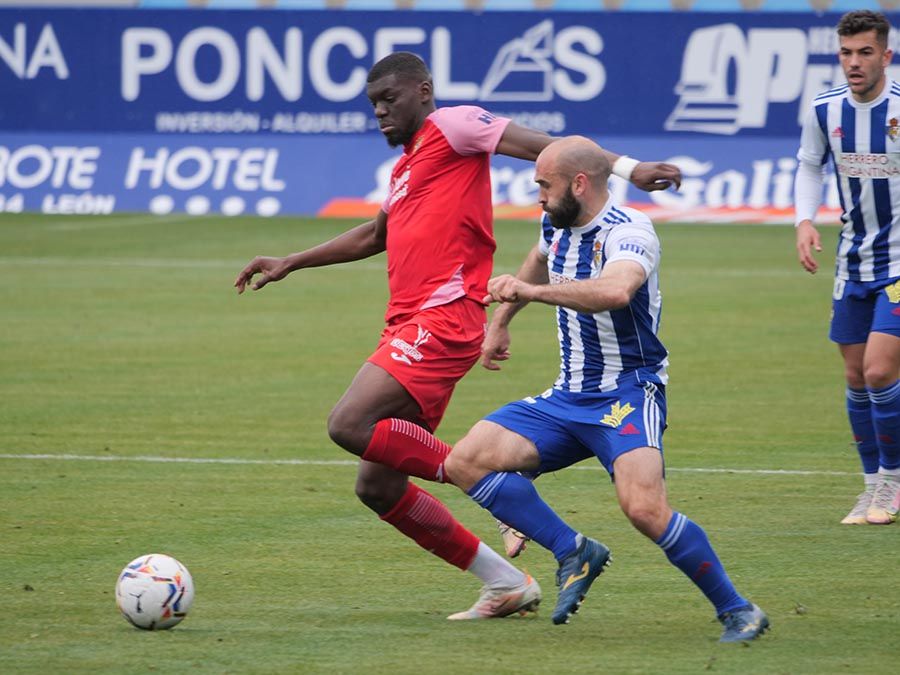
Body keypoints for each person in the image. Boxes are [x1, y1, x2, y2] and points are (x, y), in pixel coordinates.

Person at [235, 52, 682, 619]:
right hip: (408, 323)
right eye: (374, 105)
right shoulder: (405, 169)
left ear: (423, 91)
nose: (380, 112)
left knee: (348, 423)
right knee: (378, 488)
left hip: (443, 319)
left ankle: (504, 493)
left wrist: (627, 168)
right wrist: (292, 261)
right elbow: (375, 236)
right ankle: (505, 583)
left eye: (390, 99)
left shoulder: (454, 125)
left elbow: (548, 148)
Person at [362, 136, 768, 642]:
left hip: (626, 392)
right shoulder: (555, 222)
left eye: (544, 185)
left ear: (579, 184)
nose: (538, 195)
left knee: (644, 509)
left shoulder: (629, 230)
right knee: (467, 460)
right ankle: (573, 550)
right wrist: (501, 323)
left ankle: (738, 609)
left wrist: (530, 293)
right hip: (567, 396)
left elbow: (616, 290)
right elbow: (538, 257)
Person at [795, 10, 900, 525]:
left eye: (864, 52)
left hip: (899, 264)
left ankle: (893, 482)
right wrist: (804, 221)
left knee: (880, 369)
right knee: (857, 376)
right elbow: (809, 165)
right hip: (853, 262)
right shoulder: (825, 109)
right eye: (846, 52)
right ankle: (870, 487)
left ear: (886, 55)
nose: (854, 62)